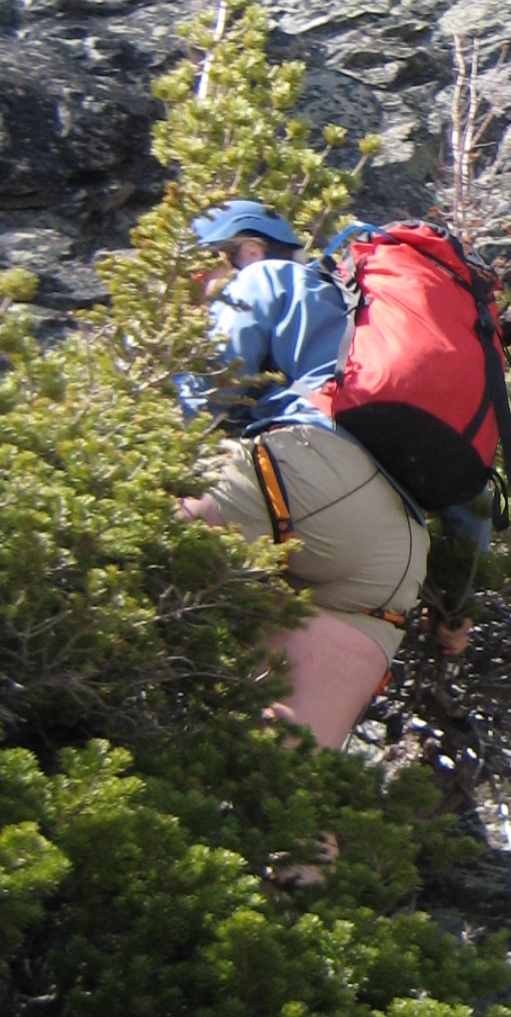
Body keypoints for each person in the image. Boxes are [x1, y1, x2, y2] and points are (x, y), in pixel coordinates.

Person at [177, 199, 432, 748]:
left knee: (139, 534)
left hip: (312, 471)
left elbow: (208, 395)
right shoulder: (373, 322)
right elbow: (470, 501)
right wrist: (454, 616)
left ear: (246, 250)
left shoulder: (264, 276)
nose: (195, 289)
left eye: (200, 272)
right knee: (291, 786)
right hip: (395, 557)